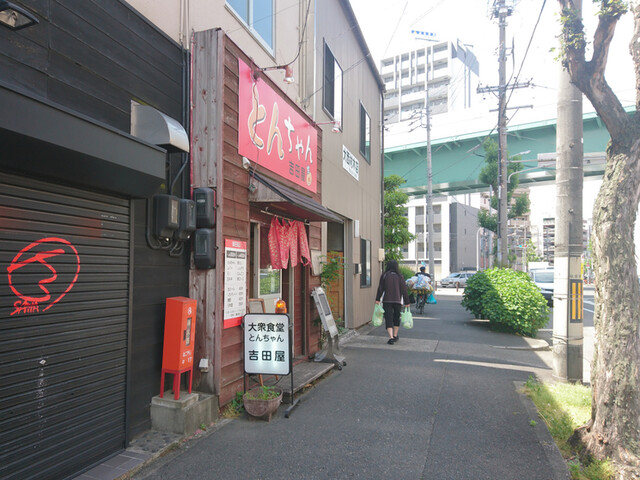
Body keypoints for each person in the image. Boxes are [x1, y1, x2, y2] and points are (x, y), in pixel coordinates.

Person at [375, 260, 410, 345]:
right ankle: (395, 335)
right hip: (398, 301)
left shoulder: (384, 275)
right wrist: (407, 301)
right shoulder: (400, 276)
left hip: (387, 300)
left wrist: (377, 299)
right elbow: (404, 290)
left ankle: (390, 337)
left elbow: (380, 288)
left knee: (388, 318)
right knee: (396, 318)